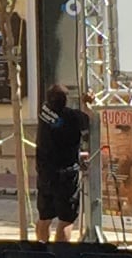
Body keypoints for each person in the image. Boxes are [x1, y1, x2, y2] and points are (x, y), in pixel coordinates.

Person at [36, 84, 92, 242]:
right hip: (65, 175)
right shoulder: (72, 117)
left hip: (45, 173)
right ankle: (60, 254)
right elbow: (90, 120)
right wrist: (87, 104)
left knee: (44, 217)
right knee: (66, 219)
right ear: (66, 100)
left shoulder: (44, 112)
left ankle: (41, 250)